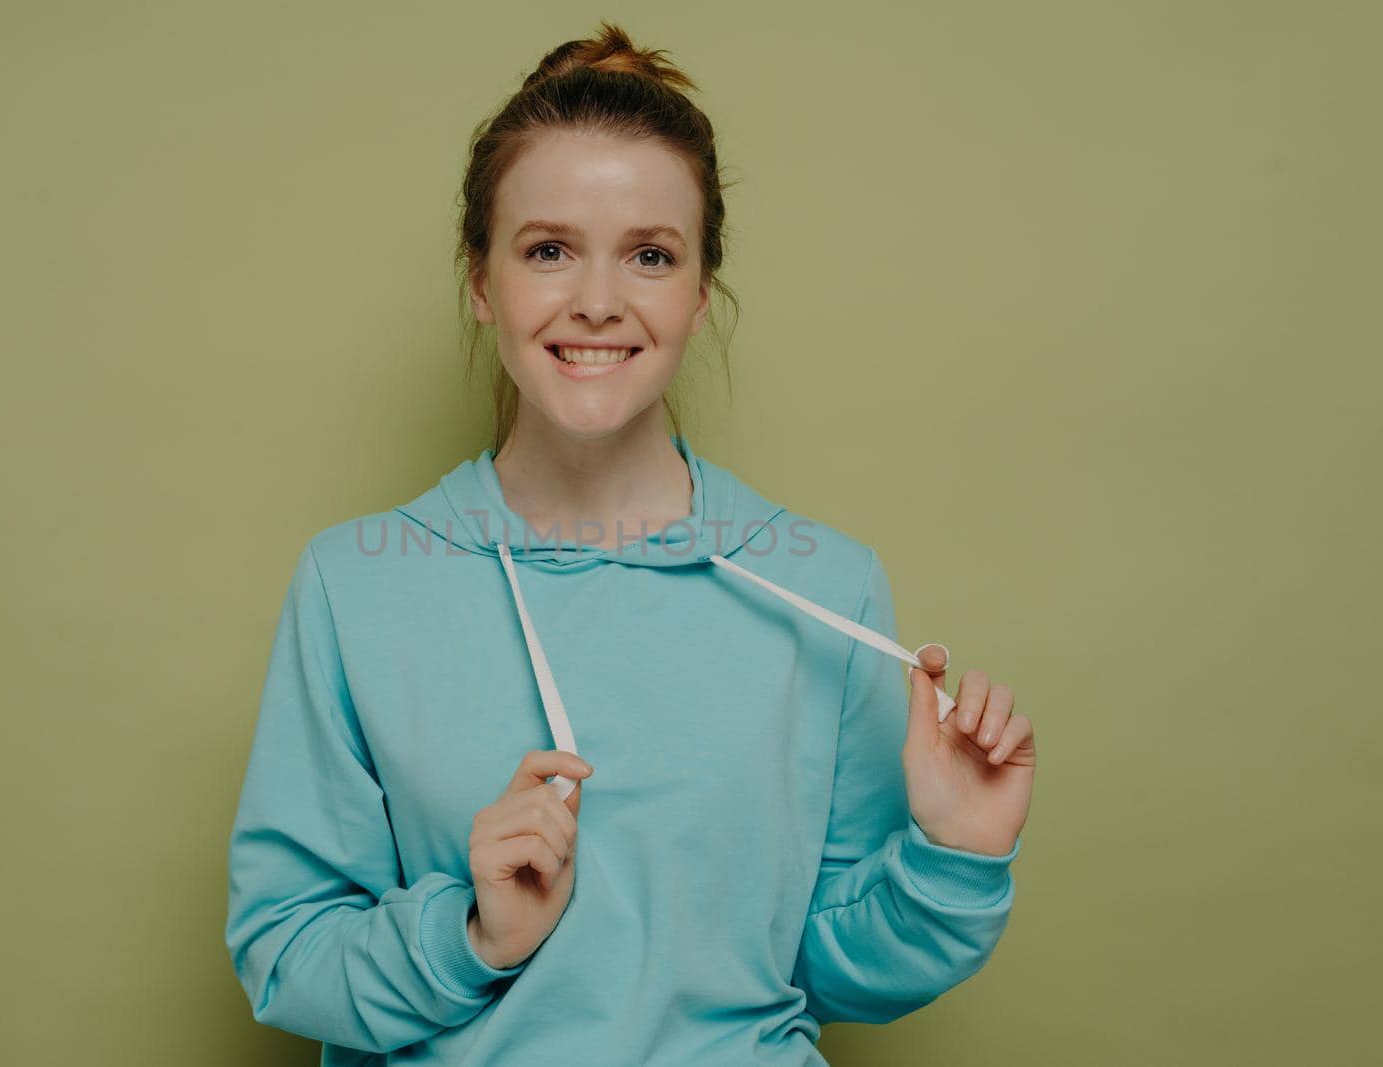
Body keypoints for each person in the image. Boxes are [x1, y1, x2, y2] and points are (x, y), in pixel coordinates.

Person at [224, 21, 1036, 1065]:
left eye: (649, 255)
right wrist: (470, 934)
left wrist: (952, 857)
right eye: (548, 249)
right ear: (481, 281)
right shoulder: (355, 583)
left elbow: (821, 967)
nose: (597, 302)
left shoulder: (826, 582)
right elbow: (284, 950)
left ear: (700, 292)